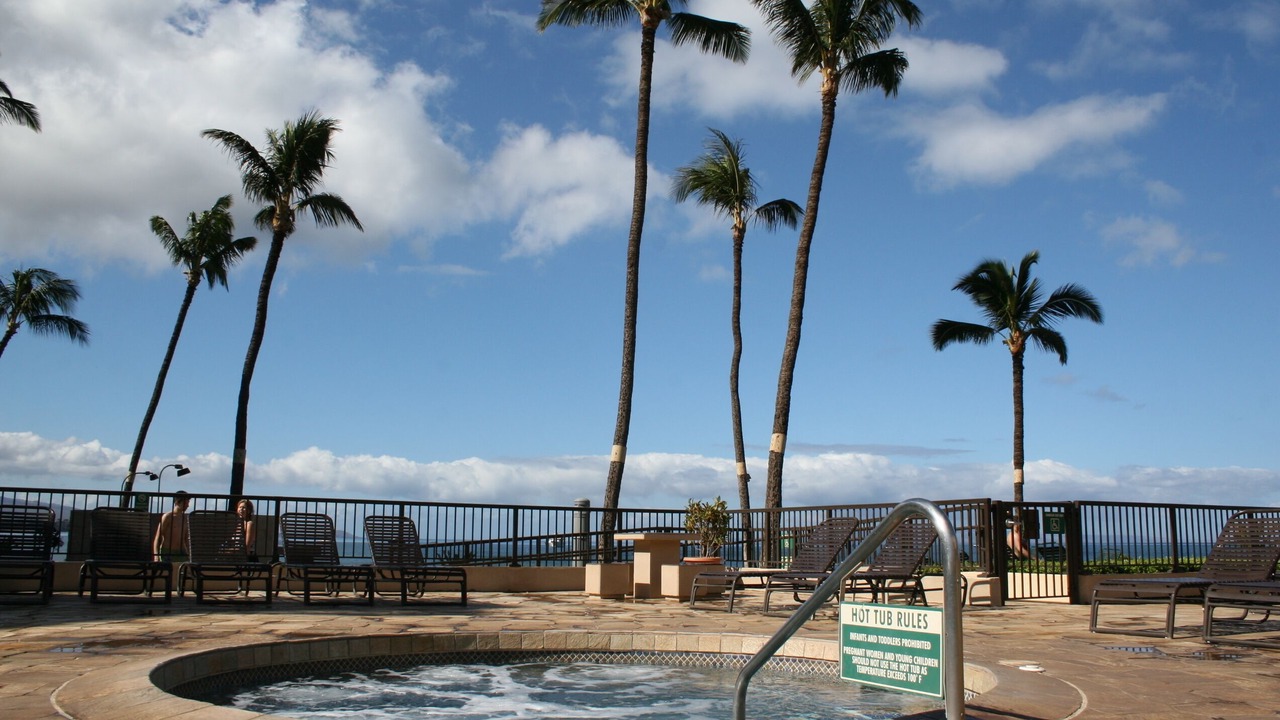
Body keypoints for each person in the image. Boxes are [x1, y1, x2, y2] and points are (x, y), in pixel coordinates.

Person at [153, 491, 190, 562]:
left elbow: (186, 539)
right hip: (167, 551)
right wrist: (156, 555)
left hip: (181, 552)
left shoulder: (185, 518)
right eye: (185, 503)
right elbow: (158, 537)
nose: (187, 505)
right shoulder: (168, 517)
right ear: (178, 502)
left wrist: (188, 554)